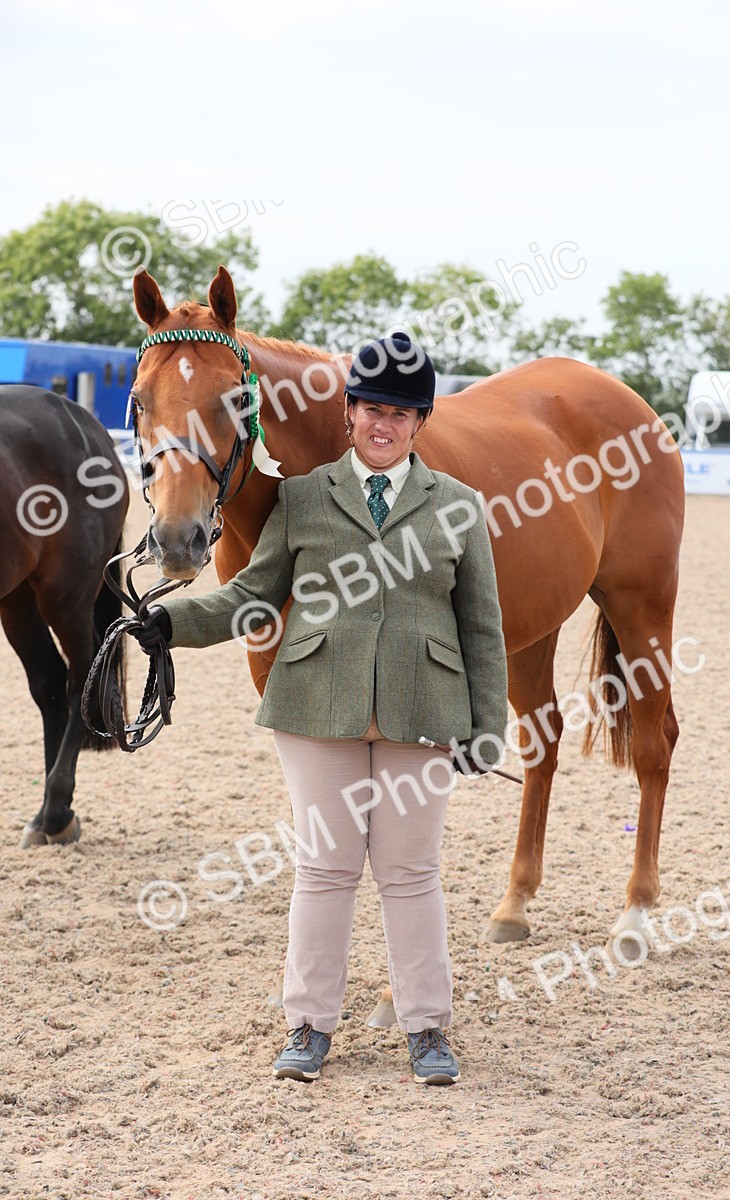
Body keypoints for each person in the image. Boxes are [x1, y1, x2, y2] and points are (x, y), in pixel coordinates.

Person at [136, 332, 508, 1085]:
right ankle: (308, 1024)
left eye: (400, 413)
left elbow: (482, 626)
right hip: (314, 705)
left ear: (420, 422)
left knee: (411, 872)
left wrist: (488, 727)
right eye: (371, 408)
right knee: (324, 869)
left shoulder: (460, 507)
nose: (383, 423)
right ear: (348, 413)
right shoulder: (302, 498)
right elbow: (250, 595)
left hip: (423, 706)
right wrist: (173, 624)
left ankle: (427, 1027)